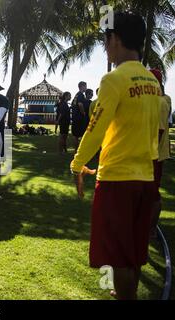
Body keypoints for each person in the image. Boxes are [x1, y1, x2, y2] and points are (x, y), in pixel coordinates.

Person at [70, 12, 160, 300]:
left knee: (117, 256)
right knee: (132, 254)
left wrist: (76, 164)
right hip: (145, 178)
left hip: (117, 180)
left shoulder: (113, 79)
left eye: (106, 41)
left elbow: (95, 130)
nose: (105, 48)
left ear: (116, 39)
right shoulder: (152, 82)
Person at [149, 69, 172, 238]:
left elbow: (158, 131)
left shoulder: (159, 102)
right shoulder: (159, 100)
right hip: (150, 155)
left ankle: (151, 229)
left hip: (153, 156)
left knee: (153, 193)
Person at [71, 81, 88, 152]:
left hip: (75, 117)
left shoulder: (76, 95)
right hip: (79, 118)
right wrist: (83, 112)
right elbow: (80, 104)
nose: (86, 88)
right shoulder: (81, 95)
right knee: (82, 135)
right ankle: (80, 151)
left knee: (75, 135)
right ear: (82, 86)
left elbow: (72, 104)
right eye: (85, 86)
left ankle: (76, 151)